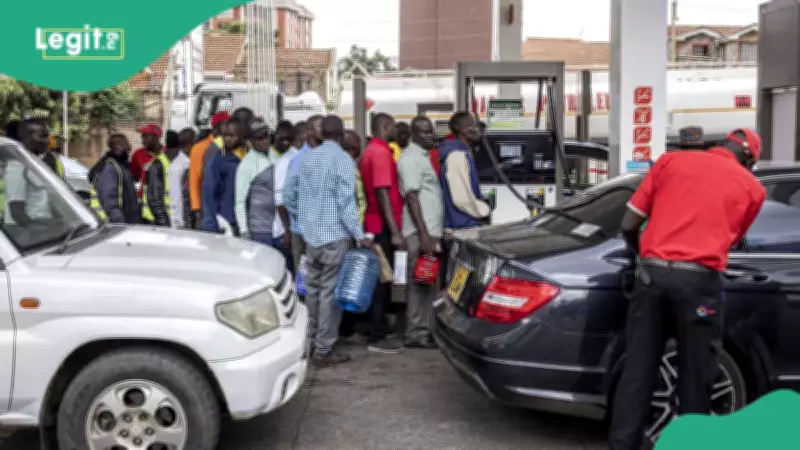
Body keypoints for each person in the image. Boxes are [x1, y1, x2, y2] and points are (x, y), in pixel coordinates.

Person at [609, 128, 767, 450]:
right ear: (749, 159)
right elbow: (732, 239)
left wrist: (645, 257)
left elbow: (628, 224)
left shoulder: (669, 162)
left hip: (651, 277)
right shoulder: (753, 188)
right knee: (696, 376)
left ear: (719, 145)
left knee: (637, 371)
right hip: (698, 284)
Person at [284, 115, 372, 365]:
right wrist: (359, 235)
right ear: (341, 134)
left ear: (322, 134)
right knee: (330, 293)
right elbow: (346, 203)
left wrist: (304, 218)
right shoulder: (343, 160)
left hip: (311, 236)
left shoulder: (307, 157)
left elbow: (288, 194)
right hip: (335, 236)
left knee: (312, 290)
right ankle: (323, 349)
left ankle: (310, 341)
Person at [359, 112, 405, 354]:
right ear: (386, 127)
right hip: (381, 226)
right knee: (380, 281)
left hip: (375, 223)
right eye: (394, 126)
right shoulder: (379, 153)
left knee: (380, 279)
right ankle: (376, 337)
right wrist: (395, 231)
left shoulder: (372, 151)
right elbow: (382, 193)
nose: (396, 130)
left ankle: (377, 328)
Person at [398, 116, 443, 349]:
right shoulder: (411, 159)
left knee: (427, 283)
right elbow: (412, 197)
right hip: (420, 233)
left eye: (431, 131)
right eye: (425, 132)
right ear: (413, 134)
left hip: (428, 231)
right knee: (420, 284)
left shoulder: (421, 156)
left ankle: (424, 330)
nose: (431, 135)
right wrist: (424, 235)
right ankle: (416, 333)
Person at [282, 114, 325, 273]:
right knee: (305, 280)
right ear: (309, 131)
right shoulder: (299, 160)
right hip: (304, 233)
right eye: (320, 126)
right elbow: (288, 196)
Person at [339, 129, 369, 343]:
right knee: (347, 278)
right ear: (352, 147)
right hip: (350, 231)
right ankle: (345, 327)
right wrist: (358, 233)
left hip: (352, 229)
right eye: (358, 144)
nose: (361, 149)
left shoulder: (350, 164)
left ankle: (347, 324)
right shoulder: (346, 166)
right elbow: (350, 203)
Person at [440, 112, 491, 230]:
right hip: (461, 226)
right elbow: (461, 199)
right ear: (462, 130)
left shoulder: (464, 152)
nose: (477, 130)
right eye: (473, 126)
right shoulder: (456, 156)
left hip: (464, 223)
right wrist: (484, 210)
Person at [203, 120, 249, 234]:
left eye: (232, 135)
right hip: (228, 222)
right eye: (225, 135)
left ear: (241, 135)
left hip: (248, 219)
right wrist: (211, 225)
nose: (227, 139)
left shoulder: (249, 156)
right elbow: (209, 194)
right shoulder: (217, 160)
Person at [235, 119, 277, 245]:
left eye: (266, 136)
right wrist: (244, 231)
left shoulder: (274, 154)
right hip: (260, 231)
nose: (265, 141)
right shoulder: (246, 165)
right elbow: (240, 202)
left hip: (279, 229)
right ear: (251, 141)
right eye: (260, 138)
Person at [7, 118, 53, 226]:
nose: (48, 140)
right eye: (42, 136)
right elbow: (17, 213)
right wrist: (43, 230)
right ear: (26, 138)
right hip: (28, 232)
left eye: (48, 135)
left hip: (44, 226)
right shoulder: (17, 167)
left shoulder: (37, 164)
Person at [190, 111, 230, 229]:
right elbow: (194, 181)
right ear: (216, 126)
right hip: (206, 207)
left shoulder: (231, 145)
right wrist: (197, 210)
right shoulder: (199, 148)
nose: (229, 128)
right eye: (226, 124)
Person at [88, 134, 141, 224]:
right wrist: (120, 224)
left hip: (130, 222)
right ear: (118, 148)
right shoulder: (109, 168)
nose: (129, 148)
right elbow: (110, 202)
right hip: (122, 224)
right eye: (126, 145)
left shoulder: (121, 166)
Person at [141, 130, 185, 227]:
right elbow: (154, 198)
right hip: (155, 221)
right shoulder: (158, 164)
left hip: (170, 218)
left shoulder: (175, 164)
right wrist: (164, 223)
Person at [272, 121, 299, 271]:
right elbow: (279, 198)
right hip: (285, 231)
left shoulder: (296, 157)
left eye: (288, 139)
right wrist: (287, 230)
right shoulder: (286, 161)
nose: (285, 143)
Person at [164, 130, 191, 229]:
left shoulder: (184, 162)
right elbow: (176, 195)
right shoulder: (181, 165)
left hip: (180, 216)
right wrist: (178, 221)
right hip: (178, 217)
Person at [130, 123, 163, 198]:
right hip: (145, 200)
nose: (143, 140)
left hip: (164, 199)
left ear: (156, 137)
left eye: (145, 136)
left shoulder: (168, 153)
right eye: (142, 137)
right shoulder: (137, 154)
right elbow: (134, 176)